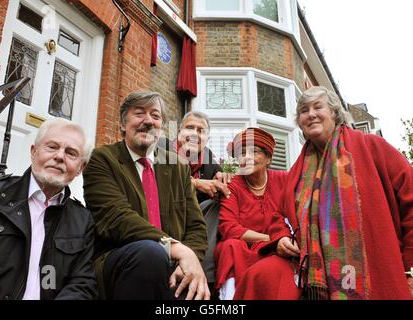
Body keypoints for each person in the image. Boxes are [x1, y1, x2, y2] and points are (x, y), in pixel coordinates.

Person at [235, 86, 413, 300]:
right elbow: (279, 216)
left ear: (334, 113)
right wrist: (281, 236)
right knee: (259, 276)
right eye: (303, 111)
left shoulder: (372, 146)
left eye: (318, 107)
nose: (310, 114)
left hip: (376, 270)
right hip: (313, 276)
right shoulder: (297, 171)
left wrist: (410, 265)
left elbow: (410, 200)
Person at [83, 90, 209, 300]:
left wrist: (191, 258)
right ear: (123, 124)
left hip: (173, 263)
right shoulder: (102, 159)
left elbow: (196, 226)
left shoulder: (177, 165)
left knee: (190, 283)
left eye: (155, 116)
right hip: (123, 260)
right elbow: (116, 218)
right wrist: (176, 248)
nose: (148, 121)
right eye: (139, 113)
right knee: (150, 254)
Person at [0, 118, 97, 300]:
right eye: (52, 147)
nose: (60, 156)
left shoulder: (82, 220)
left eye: (71, 153)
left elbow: (82, 283)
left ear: (80, 168)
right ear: (34, 151)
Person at [159, 111, 232, 289]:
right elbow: (159, 182)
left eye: (201, 130)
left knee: (218, 203)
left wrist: (224, 181)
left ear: (206, 138)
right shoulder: (162, 149)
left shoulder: (208, 159)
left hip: (194, 228)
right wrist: (196, 183)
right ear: (178, 133)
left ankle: (204, 276)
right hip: (164, 218)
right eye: (189, 127)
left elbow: (222, 181)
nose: (194, 133)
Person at [214, 127, 287, 300]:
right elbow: (229, 228)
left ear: (268, 158)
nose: (246, 158)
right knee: (231, 245)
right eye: (241, 153)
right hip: (243, 248)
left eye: (254, 151)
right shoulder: (232, 184)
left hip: (276, 249)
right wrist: (271, 239)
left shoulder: (284, 180)